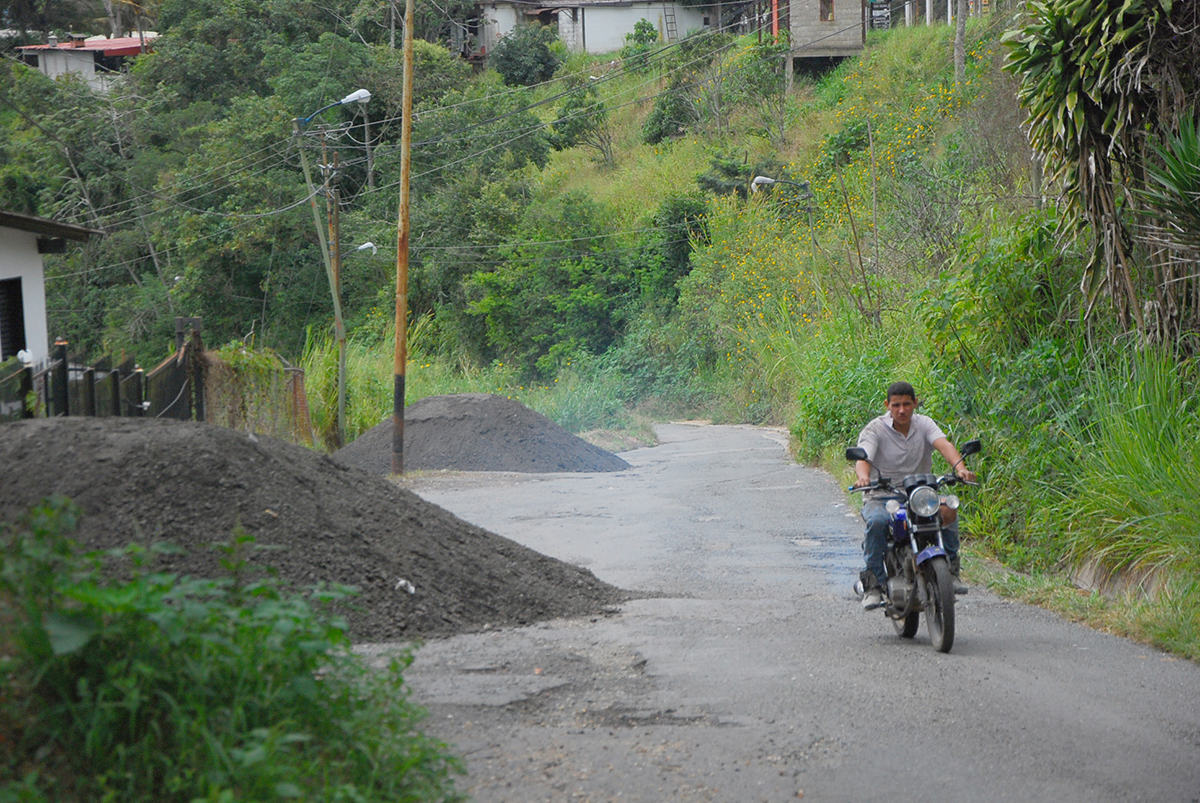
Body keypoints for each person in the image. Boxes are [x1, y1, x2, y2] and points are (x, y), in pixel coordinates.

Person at [852, 381, 976, 610]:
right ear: (887, 405)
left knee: (948, 507)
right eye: (896, 405)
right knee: (877, 522)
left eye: (907, 404)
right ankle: (873, 585)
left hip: (919, 495)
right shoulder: (875, 429)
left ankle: (951, 570)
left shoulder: (925, 424)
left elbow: (944, 445)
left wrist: (960, 468)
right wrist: (863, 477)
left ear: (915, 403)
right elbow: (864, 458)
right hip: (882, 496)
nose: (902, 410)